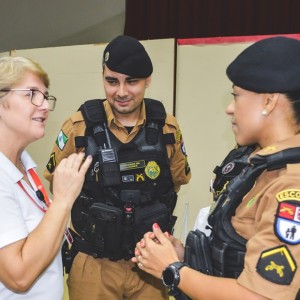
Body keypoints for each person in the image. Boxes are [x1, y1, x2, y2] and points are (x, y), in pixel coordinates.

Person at [132, 36, 300, 300]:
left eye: (237, 95)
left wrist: (173, 270)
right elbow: (240, 257)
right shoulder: (259, 165)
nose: (229, 108)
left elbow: (262, 296)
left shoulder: (291, 182)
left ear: (269, 101)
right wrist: (185, 257)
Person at [43, 35, 191, 299]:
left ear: (148, 80)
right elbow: (57, 185)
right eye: (112, 81)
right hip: (94, 266)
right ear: (103, 77)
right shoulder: (78, 128)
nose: (121, 92)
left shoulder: (167, 127)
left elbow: (176, 181)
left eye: (131, 81)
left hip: (150, 264)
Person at [0, 56, 92, 299]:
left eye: (45, 95)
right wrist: (63, 200)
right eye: (31, 94)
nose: (43, 105)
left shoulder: (25, 167)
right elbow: (18, 276)